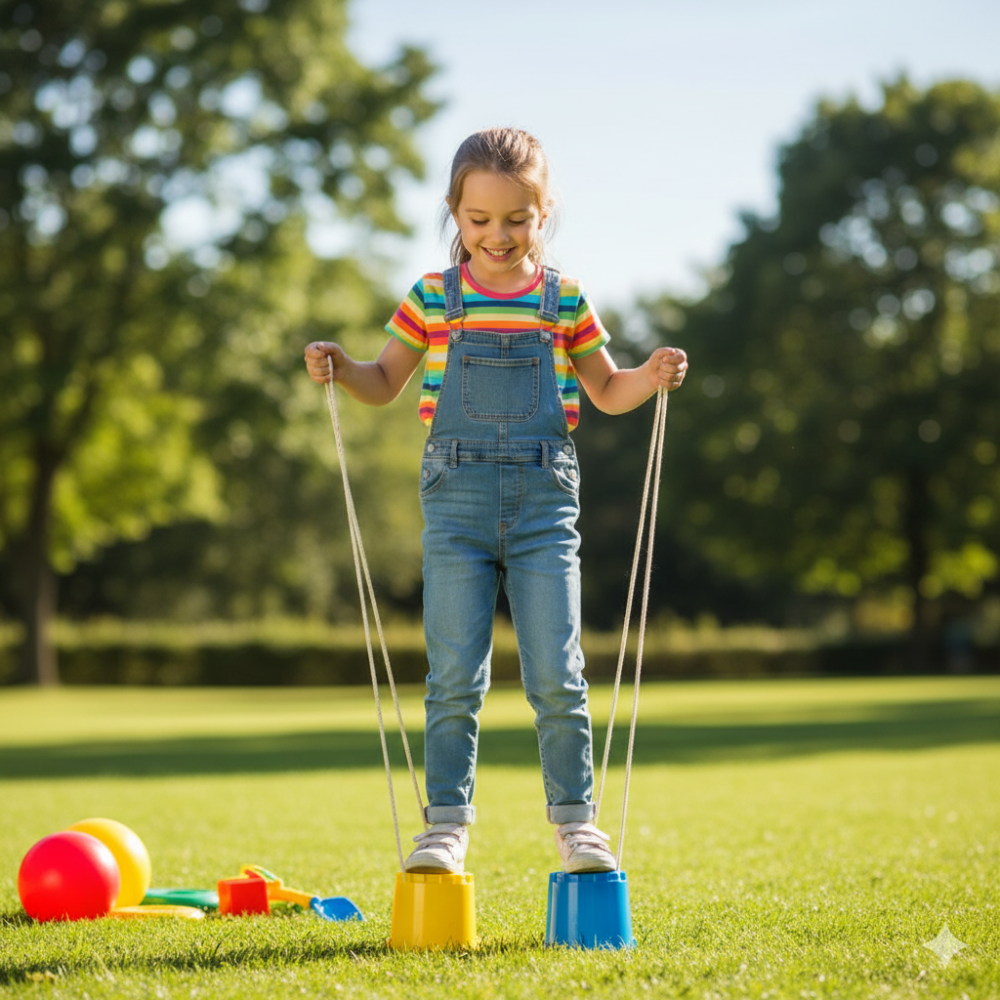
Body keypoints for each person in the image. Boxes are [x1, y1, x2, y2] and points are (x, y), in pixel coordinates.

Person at [305, 127, 687, 875]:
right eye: (479, 219)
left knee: (558, 675)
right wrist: (343, 367)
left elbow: (607, 390)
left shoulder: (563, 299)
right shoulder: (432, 297)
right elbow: (383, 382)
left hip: (546, 504)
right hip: (456, 505)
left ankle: (577, 826)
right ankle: (445, 827)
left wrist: (648, 376)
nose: (498, 235)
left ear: (544, 213)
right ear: (455, 213)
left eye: (517, 218)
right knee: (454, 676)